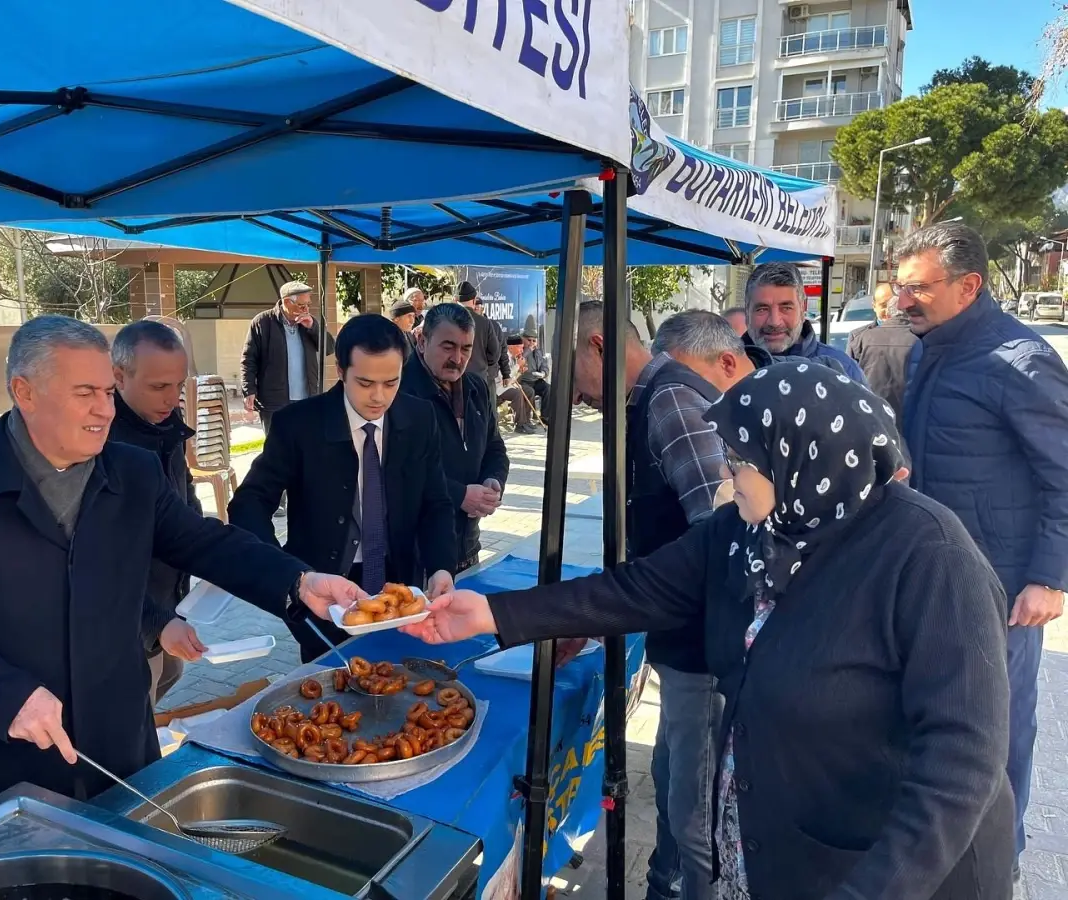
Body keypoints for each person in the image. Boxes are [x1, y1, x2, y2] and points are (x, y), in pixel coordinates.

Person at [407, 362, 1014, 900]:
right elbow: (632, 590)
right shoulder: (750, 529)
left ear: (800, 457)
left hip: (885, 869)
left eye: (742, 460)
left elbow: (961, 766)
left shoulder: (930, 557)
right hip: (772, 846)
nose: (727, 472)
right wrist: (489, 614)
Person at [0, 316, 363, 832]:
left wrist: (297, 581)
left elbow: (204, 542)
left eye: (107, 391)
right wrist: (3, 694)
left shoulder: (132, 473)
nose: (105, 410)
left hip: (117, 750)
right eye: (85, 394)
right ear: (24, 392)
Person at [896, 221, 1068, 881]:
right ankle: (942, 851)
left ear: (968, 286)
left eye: (919, 289)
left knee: (996, 734)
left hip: (1001, 590)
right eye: (901, 287)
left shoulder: (1020, 360)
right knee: (938, 723)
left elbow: (1062, 474)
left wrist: (1049, 579)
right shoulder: (928, 349)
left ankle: (999, 864)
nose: (902, 301)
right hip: (935, 575)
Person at [227, 314, 458, 662]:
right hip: (324, 590)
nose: (379, 397)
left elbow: (436, 503)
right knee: (333, 686)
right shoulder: (299, 425)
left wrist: (442, 566)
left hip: (399, 588)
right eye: (365, 383)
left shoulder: (420, 419)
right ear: (341, 371)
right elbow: (249, 503)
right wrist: (290, 576)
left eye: (391, 382)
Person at [623, 308, 754, 900]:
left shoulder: (676, 393)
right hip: (688, 634)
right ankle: (667, 878)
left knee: (694, 804)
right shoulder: (686, 388)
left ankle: (686, 886)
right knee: (678, 768)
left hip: (702, 641)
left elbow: (719, 525)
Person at [107, 320, 202, 706]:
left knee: (168, 677)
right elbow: (99, 559)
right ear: (119, 376)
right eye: (159, 387)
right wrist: (155, 622)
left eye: (179, 386)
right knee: (135, 711)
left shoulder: (167, 425)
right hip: (128, 613)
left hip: (170, 598)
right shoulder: (103, 442)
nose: (171, 399)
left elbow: (185, 496)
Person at [400, 302, 509, 575]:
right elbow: (399, 467)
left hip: (467, 546)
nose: (458, 358)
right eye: (448, 347)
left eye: (466, 349)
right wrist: (459, 494)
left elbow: (494, 446)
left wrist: (493, 481)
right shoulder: (399, 392)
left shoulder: (476, 387)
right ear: (422, 341)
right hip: (416, 555)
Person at [743, 263, 866, 383]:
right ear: (747, 312)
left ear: (803, 309)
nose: (774, 322)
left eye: (786, 308)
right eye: (762, 309)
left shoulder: (843, 369)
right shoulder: (727, 365)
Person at [240, 280, 333, 435]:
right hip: (274, 402)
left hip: (307, 400)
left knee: (306, 448)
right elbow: (248, 360)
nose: (306, 309)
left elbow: (329, 348)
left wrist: (313, 328)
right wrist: (248, 390)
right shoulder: (262, 322)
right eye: (302, 306)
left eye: (308, 305)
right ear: (287, 302)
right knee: (277, 450)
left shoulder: (309, 322)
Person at [847, 285, 917, 432]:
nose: (886, 310)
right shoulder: (858, 337)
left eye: (890, 303)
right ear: (874, 305)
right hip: (870, 422)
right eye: (882, 305)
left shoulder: (920, 335)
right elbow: (849, 384)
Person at [457, 281, 507, 403]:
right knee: (479, 417)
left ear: (456, 300)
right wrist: (484, 363)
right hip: (479, 378)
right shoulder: (485, 323)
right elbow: (495, 352)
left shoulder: (447, 321)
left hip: (454, 380)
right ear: (474, 300)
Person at [498, 334, 538, 434]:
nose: (521, 350)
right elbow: (506, 380)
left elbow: (513, 380)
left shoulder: (513, 357)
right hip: (500, 387)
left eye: (522, 348)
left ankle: (526, 421)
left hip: (509, 385)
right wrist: (517, 366)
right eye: (519, 347)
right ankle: (519, 425)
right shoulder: (503, 357)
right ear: (511, 347)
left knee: (529, 391)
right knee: (517, 393)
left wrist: (520, 371)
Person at [519, 328, 551, 421]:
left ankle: (545, 416)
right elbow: (518, 362)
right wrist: (527, 351)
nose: (531, 343)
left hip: (535, 380)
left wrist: (543, 373)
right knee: (530, 391)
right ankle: (526, 419)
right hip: (523, 381)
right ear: (523, 339)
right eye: (529, 340)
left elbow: (544, 365)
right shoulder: (520, 350)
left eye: (534, 341)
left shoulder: (538, 351)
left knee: (548, 388)